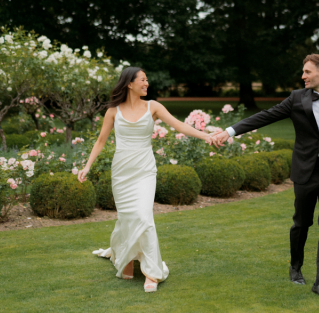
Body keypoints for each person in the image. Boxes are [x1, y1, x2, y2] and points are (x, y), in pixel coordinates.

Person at [212, 54, 319, 300]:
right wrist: (230, 131)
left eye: (307, 71)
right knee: (301, 224)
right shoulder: (296, 98)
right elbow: (265, 116)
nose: (303, 76)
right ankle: (295, 267)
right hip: (305, 173)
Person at [79, 67, 219, 292]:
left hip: (144, 170)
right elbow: (100, 141)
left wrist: (207, 136)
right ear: (129, 84)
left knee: (144, 217)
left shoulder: (153, 106)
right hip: (122, 172)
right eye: (142, 80)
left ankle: (152, 273)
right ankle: (127, 261)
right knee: (127, 217)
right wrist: (87, 166)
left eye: (147, 80)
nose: (147, 83)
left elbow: (179, 125)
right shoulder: (113, 111)